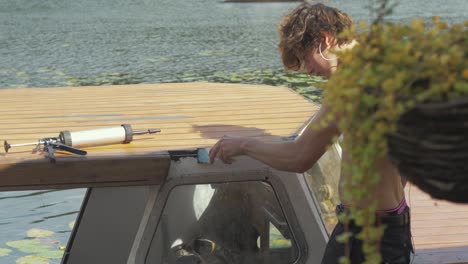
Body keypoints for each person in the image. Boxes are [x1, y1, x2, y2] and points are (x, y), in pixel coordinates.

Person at [208, 3, 413, 264]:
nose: (307, 69)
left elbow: (300, 157)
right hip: (394, 223)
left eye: (305, 58)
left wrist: (244, 145)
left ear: (325, 40)